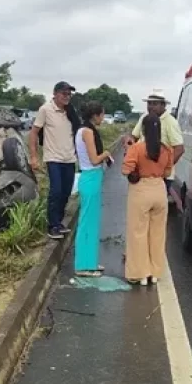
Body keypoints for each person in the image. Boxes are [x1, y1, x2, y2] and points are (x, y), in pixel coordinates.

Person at [122, 113, 173, 285]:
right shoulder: (166, 149)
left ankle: (140, 274)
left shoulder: (136, 148)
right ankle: (156, 273)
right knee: (158, 233)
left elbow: (126, 170)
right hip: (159, 189)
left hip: (141, 191)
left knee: (138, 232)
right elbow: (167, 172)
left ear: (143, 129)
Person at [29, 81, 81, 240]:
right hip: (53, 158)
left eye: (69, 94)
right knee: (56, 191)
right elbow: (33, 133)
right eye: (64, 94)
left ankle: (58, 222)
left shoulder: (70, 112)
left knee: (66, 192)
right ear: (55, 94)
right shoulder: (46, 109)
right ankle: (52, 226)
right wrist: (33, 156)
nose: (67, 97)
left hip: (69, 158)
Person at [74, 101, 112, 277]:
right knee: (87, 222)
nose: (103, 118)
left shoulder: (84, 130)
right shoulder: (87, 132)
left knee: (91, 221)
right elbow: (94, 159)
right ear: (95, 115)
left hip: (92, 178)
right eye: (102, 115)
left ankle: (89, 262)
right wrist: (105, 154)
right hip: (90, 177)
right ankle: (83, 266)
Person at [127, 89, 184, 197]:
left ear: (163, 105)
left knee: (154, 207)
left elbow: (179, 149)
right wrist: (129, 144)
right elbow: (134, 136)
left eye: (155, 104)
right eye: (149, 103)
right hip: (142, 172)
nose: (151, 107)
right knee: (141, 206)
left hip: (161, 176)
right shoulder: (144, 117)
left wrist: (163, 167)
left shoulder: (170, 122)